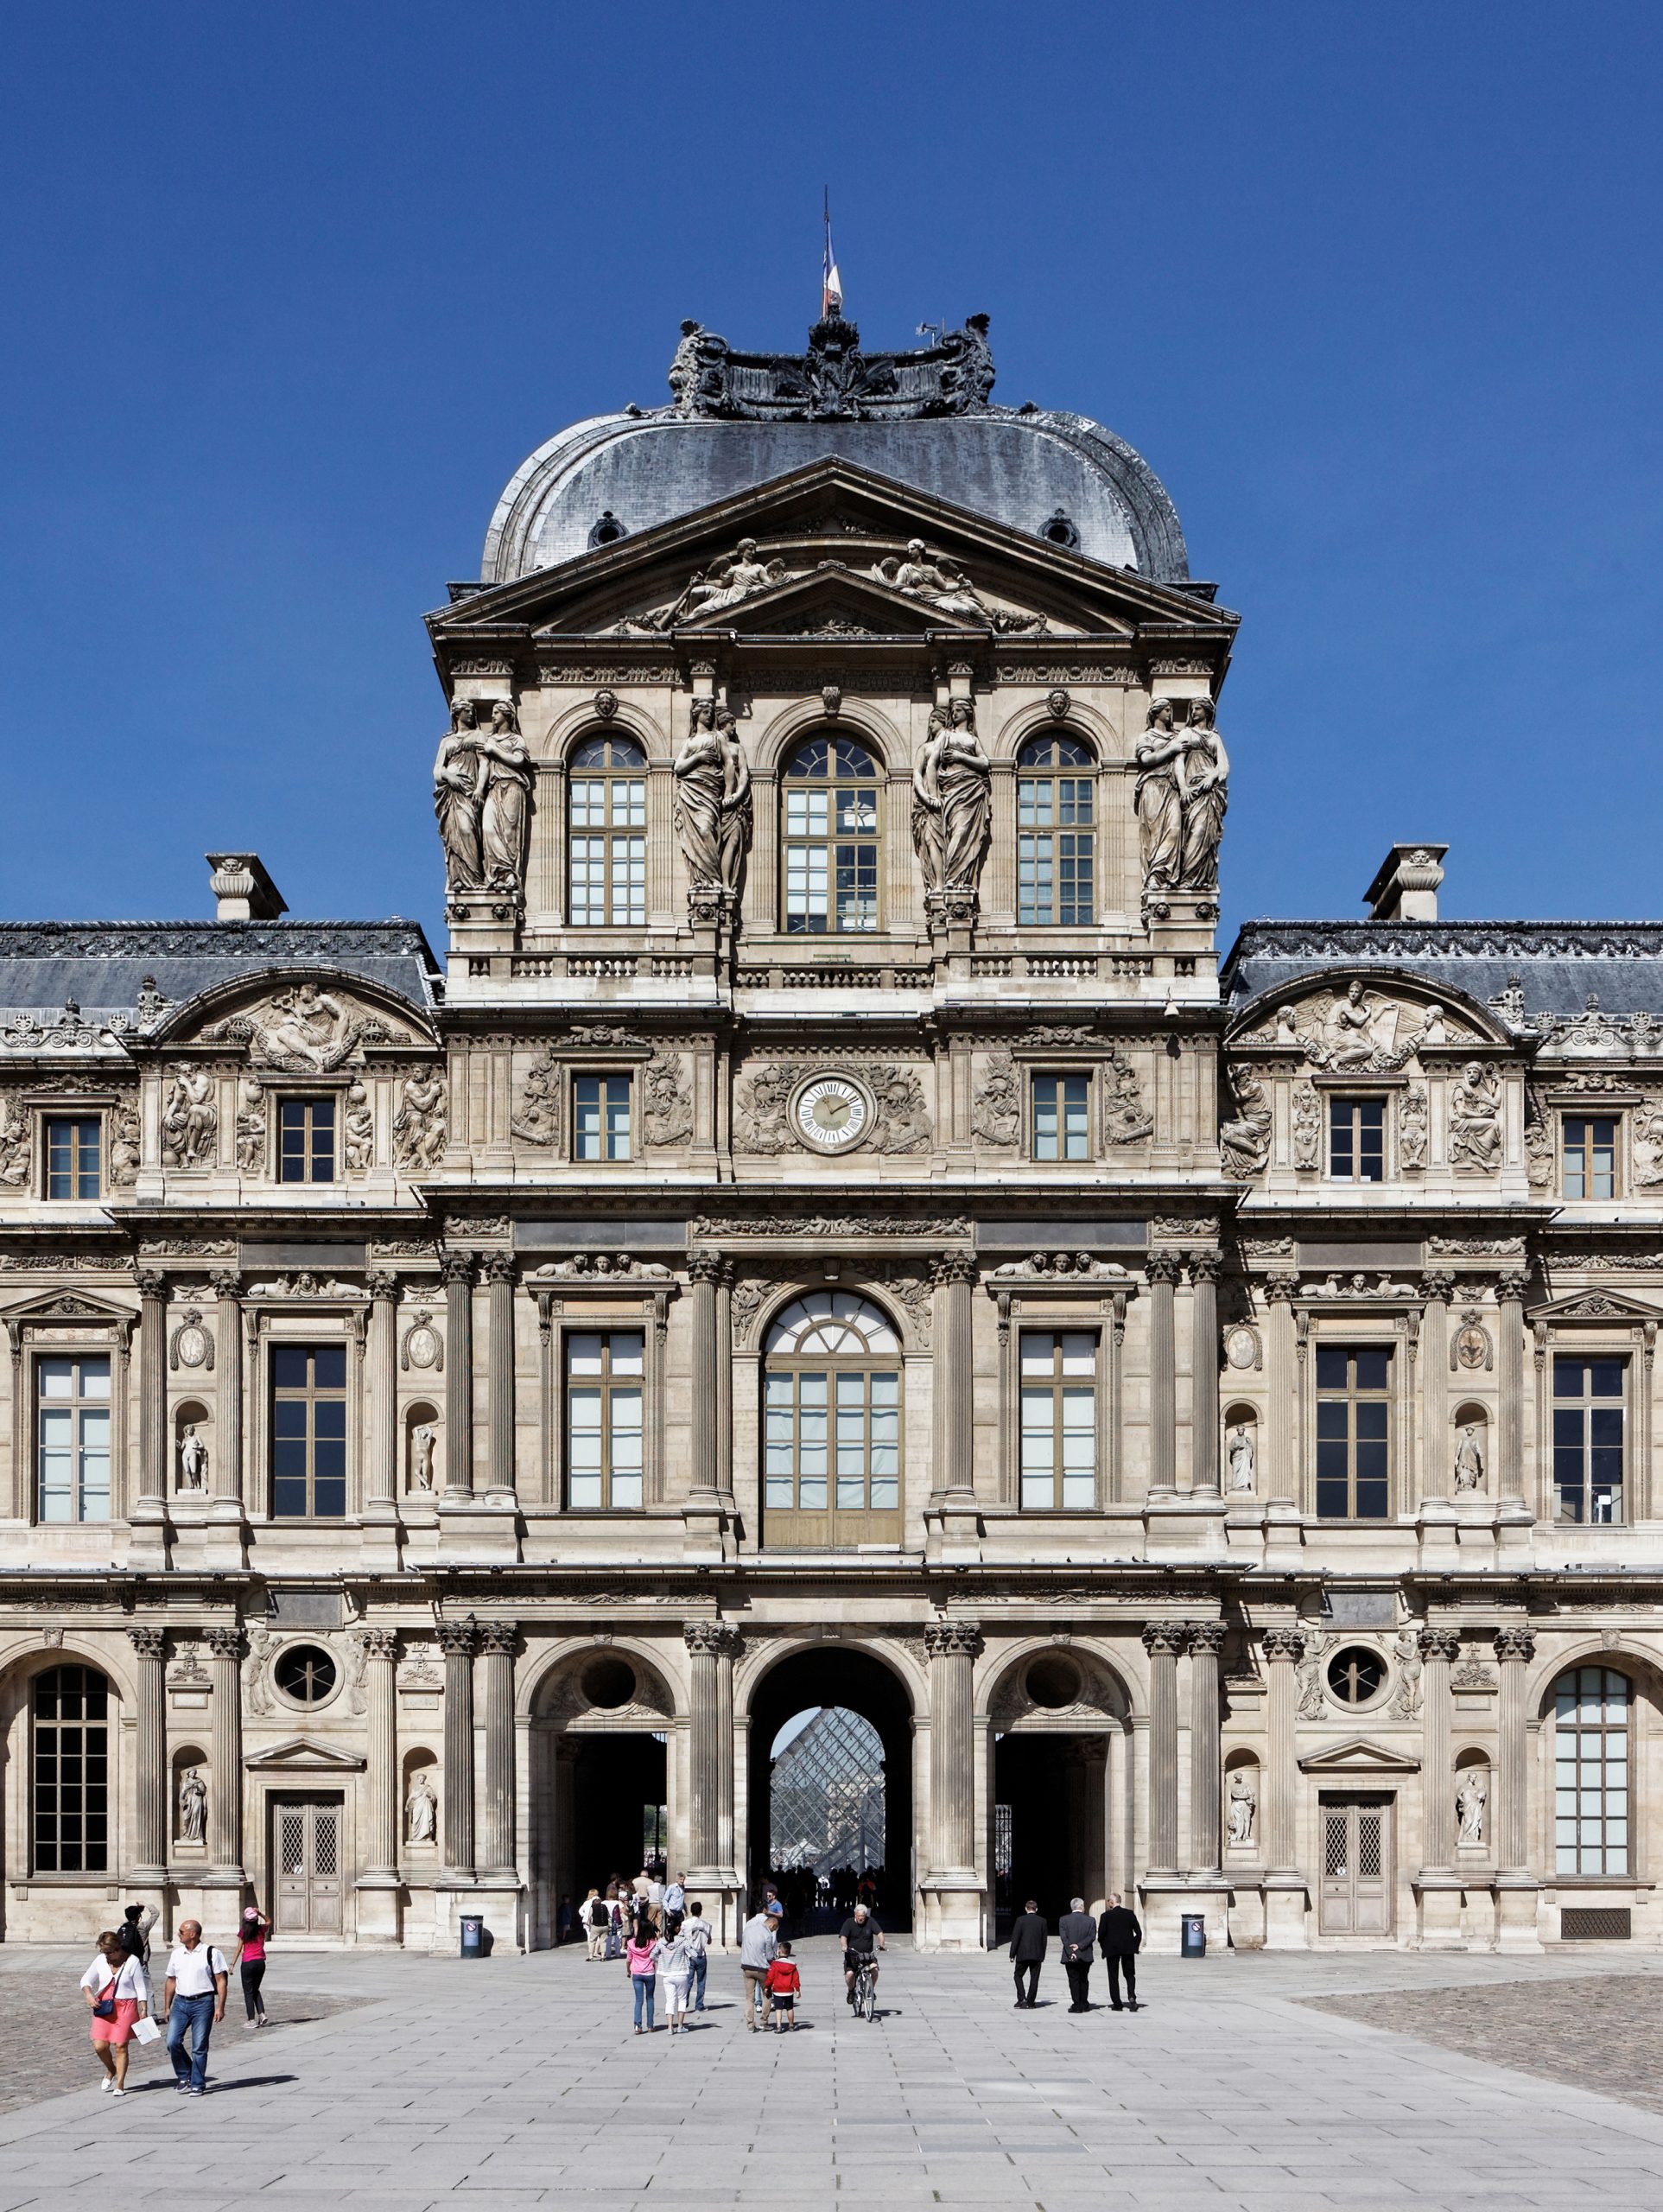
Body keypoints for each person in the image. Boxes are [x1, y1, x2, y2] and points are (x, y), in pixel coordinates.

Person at [82, 1928, 151, 2095]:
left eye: (109, 1953)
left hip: (126, 2006)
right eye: (104, 1953)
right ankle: (111, 2069)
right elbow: (86, 1979)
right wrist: (89, 1995)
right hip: (104, 2006)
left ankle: (120, 2084)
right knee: (100, 2046)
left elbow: (140, 1986)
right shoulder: (100, 1960)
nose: (106, 1957)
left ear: (118, 1949)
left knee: (120, 2045)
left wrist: (143, 2008)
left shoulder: (132, 1961)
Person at [163, 1919, 228, 2094]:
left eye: (181, 1932)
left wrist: (220, 2007)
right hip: (181, 2002)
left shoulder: (211, 1953)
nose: (178, 1934)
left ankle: (198, 2083)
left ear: (192, 1934)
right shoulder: (176, 1954)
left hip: (203, 2003)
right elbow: (171, 1980)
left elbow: (221, 1980)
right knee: (172, 2042)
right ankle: (185, 2074)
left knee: (199, 2046)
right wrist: (167, 2006)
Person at [1097, 1893, 1142, 2012]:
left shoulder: (1105, 1916)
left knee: (1113, 1976)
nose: (1108, 1903)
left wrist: (1104, 1947)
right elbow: (1138, 1932)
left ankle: (1117, 2003)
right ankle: (1132, 1997)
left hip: (1112, 1950)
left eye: (1108, 1901)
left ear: (1112, 1902)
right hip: (1128, 1949)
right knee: (1129, 1974)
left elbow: (1101, 1935)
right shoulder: (1129, 1913)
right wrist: (1134, 1945)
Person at [739, 1900, 779, 2031]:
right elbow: (769, 1956)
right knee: (767, 1995)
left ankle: (750, 2024)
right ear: (771, 1924)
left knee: (749, 1998)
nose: (773, 1930)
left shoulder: (748, 1927)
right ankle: (764, 2021)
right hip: (761, 1968)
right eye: (774, 1928)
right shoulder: (767, 1934)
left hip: (746, 1966)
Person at [231, 1904, 271, 2030]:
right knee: (255, 1989)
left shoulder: (243, 1932)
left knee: (248, 1992)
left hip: (248, 1963)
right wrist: (261, 1914)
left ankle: (251, 2020)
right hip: (260, 1963)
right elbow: (269, 1921)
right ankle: (262, 2014)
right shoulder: (261, 1929)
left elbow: (238, 1949)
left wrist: (232, 1964)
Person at [840, 1900, 885, 2008]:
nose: (861, 1918)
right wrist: (844, 1946)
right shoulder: (849, 1923)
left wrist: (882, 1943)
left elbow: (879, 1933)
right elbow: (843, 1937)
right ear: (855, 1915)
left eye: (863, 1916)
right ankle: (851, 1991)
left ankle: (870, 1990)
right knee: (850, 1975)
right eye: (859, 1916)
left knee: (875, 1969)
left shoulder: (870, 1921)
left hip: (868, 1956)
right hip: (852, 1956)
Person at [625, 1918, 663, 2035]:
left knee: (638, 2000)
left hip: (636, 1973)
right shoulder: (653, 1944)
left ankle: (637, 2025)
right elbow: (660, 1952)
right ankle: (650, 2025)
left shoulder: (631, 1943)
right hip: (649, 1973)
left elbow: (628, 1959)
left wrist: (628, 1971)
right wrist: (659, 1936)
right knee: (650, 1998)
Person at [1059, 1897, 1096, 2012]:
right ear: (1081, 1907)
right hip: (1085, 1954)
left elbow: (1064, 1939)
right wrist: (1080, 1946)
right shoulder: (1091, 1920)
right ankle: (1084, 2003)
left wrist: (1071, 1951)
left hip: (1069, 1955)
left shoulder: (1064, 1920)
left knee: (1073, 1980)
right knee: (1084, 1979)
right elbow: (1092, 1937)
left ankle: (1076, 2004)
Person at [1008, 1899, 1048, 2008]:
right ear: (1036, 1909)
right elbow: (1044, 1940)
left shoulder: (1020, 1920)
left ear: (1026, 1909)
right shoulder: (1042, 1921)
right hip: (1036, 1955)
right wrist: (1042, 1955)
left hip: (1023, 1954)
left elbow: (1015, 1938)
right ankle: (1030, 2002)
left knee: (1018, 1975)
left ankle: (1022, 1998)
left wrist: (1012, 1954)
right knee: (1034, 1979)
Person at [660, 1916, 695, 2035]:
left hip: (667, 1974)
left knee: (670, 2001)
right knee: (682, 1999)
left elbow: (652, 1955)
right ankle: (680, 2026)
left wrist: (662, 1961)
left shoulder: (661, 1941)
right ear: (677, 1928)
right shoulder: (683, 1941)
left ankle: (670, 2028)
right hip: (681, 1973)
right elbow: (693, 1953)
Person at [765, 1940, 801, 2032]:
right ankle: (791, 2025)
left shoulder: (775, 1964)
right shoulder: (792, 1965)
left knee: (778, 2009)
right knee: (790, 2008)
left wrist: (767, 1986)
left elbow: (770, 1977)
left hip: (778, 1990)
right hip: (789, 1990)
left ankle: (779, 2026)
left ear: (779, 1951)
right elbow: (796, 1978)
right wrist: (797, 1989)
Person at [683, 1901, 711, 2012]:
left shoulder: (684, 1924)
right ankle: (699, 2005)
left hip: (689, 1955)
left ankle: (684, 2002)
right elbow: (709, 1941)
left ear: (691, 1911)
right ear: (701, 1912)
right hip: (701, 1955)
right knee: (701, 1981)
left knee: (688, 1981)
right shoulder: (706, 1925)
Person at [117, 1901, 157, 1968]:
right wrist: (145, 1904)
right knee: (144, 1977)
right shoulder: (143, 1926)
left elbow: (131, 1915)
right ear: (138, 1916)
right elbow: (155, 1913)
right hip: (141, 1958)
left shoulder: (125, 1926)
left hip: (128, 1957)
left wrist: (137, 1910)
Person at [584, 1889, 608, 1961]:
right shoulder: (604, 1906)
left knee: (592, 1941)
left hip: (596, 1926)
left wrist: (589, 1925)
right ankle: (603, 1957)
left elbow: (589, 1917)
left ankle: (591, 1957)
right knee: (603, 1941)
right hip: (605, 1926)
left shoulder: (593, 1907)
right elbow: (609, 1916)